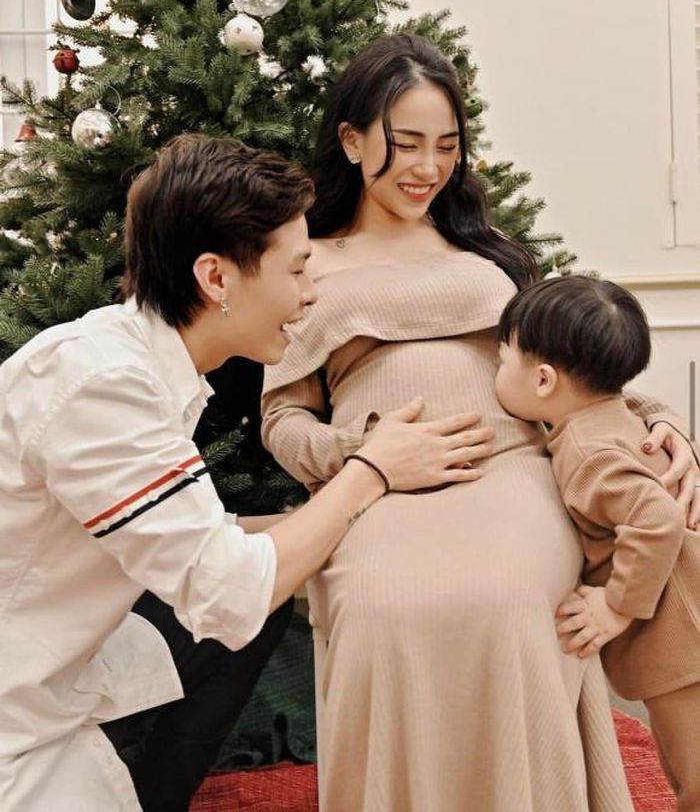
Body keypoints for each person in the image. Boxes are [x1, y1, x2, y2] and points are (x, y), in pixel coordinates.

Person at [260, 34, 700, 811]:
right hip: (382, 489)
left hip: (515, 471)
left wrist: (662, 421)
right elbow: (282, 417)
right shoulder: (307, 261)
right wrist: (366, 454)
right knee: (382, 610)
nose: (428, 167)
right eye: (406, 144)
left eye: (447, 146)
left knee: (511, 599)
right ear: (353, 141)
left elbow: (567, 367)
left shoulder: (489, 255)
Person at [0, 134, 483, 812]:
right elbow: (227, 589)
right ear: (217, 278)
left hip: (48, 660)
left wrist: (354, 517)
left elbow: (203, 536)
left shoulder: (138, 363)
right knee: (246, 602)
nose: (311, 295)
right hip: (15, 704)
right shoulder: (101, 386)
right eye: (297, 271)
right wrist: (370, 471)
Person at [494, 274, 700, 811]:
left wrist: (617, 605)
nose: (497, 371)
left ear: (543, 380)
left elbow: (656, 518)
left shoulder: (589, 452)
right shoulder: (619, 416)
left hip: (684, 647)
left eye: (502, 359)